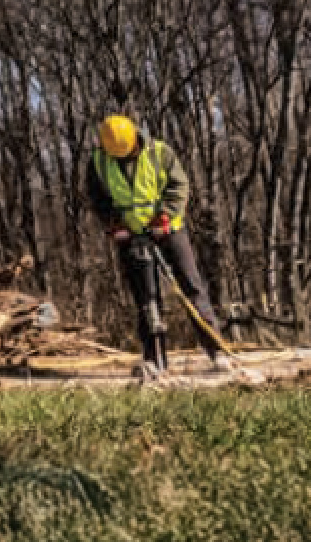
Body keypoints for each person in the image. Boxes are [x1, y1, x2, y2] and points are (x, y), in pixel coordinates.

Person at [85, 115, 234, 377]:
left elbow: (179, 186)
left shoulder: (160, 153)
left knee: (191, 286)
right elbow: (98, 198)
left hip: (168, 230)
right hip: (130, 235)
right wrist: (113, 224)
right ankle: (154, 359)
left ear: (136, 139)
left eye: (127, 153)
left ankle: (217, 350)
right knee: (146, 298)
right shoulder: (99, 162)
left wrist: (164, 215)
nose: (123, 158)